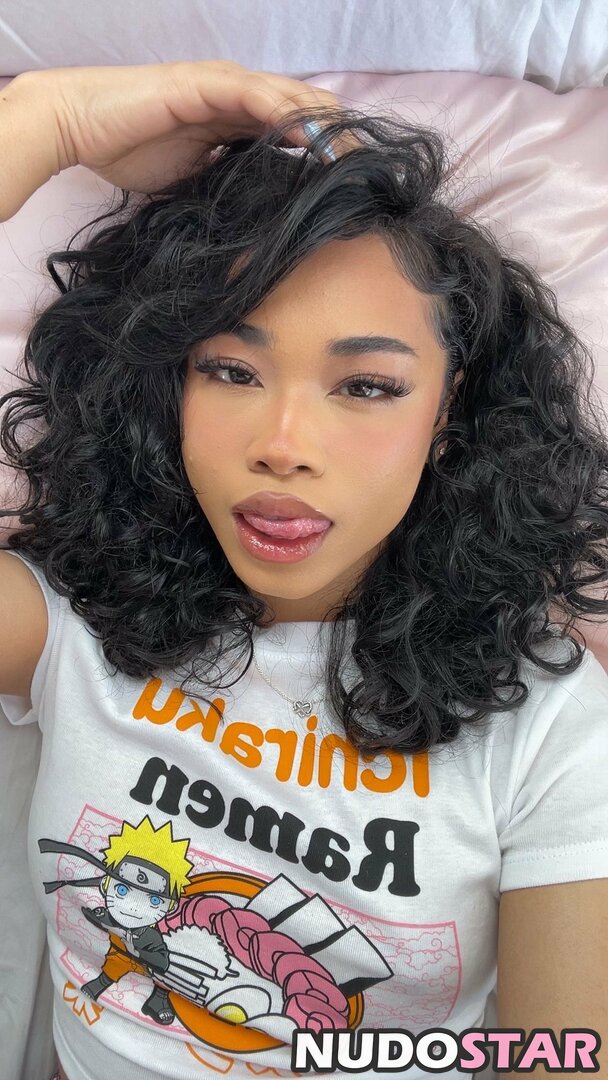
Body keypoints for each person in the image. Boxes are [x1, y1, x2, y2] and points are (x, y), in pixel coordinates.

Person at [0, 59, 607, 1080]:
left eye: (365, 386)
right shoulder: (68, 620)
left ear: (448, 416)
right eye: (231, 370)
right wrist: (41, 120)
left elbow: (560, 1054)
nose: (282, 445)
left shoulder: (548, 724)